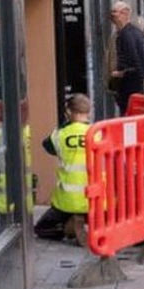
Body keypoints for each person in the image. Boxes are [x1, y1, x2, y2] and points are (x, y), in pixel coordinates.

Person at [34, 94, 92, 244]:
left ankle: (70, 226)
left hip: (67, 201)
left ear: (68, 112)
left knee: (41, 229)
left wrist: (65, 124)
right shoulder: (98, 133)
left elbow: (47, 145)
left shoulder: (60, 135)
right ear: (89, 112)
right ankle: (83, 223)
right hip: (95, 201)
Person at [108, 2, 144, 115]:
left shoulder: (125, 35)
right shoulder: (134, 33)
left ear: (125, 14)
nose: (112, 17)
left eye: (115, 13)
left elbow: (134, 61)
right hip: (135, 85)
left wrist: (120, 73)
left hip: (129, 87)